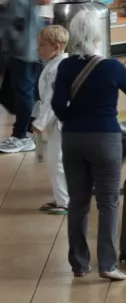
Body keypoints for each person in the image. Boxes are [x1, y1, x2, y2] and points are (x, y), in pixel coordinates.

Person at [52, 10, 126, 281]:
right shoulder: (112, 67)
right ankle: (107, 265)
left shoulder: (64, 66)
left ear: (72, 37)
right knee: (108, 202)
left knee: (78, 202)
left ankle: (79, 264)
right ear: (99, 35)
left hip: (72, 138)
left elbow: (58, 105)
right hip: (105, 139)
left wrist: (72, 120)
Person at [0, 0, 52, 155]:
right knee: (15, 83)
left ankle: (22, 135)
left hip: (31, 29)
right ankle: (28, 126)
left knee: (23, 84)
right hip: (17, 28)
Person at [30, 24, 69, 215]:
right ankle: (60, 197)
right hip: (57, 121)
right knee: (56, 160)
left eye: (43, 45)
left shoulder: (59, 68)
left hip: (61, 122)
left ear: (57, 47)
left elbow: (53, 100)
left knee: (57, 161)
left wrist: (39, 123)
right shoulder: (54, 65)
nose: (39, 49)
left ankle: (65, 201)